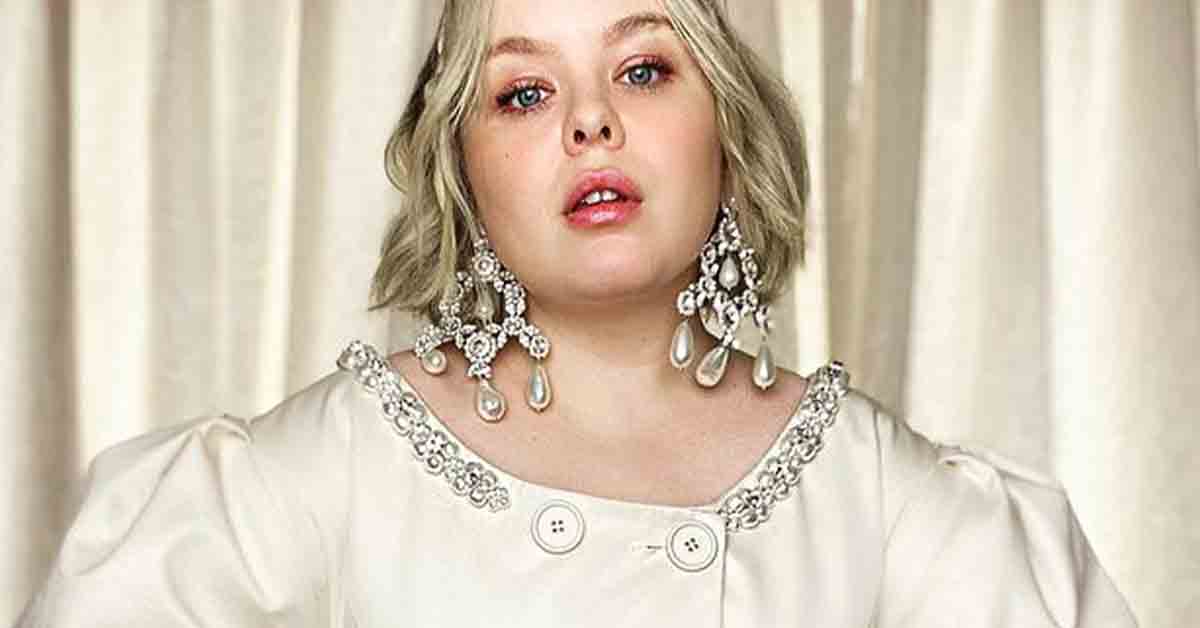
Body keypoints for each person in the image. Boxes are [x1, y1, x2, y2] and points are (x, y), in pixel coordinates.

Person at [17, 1, 1138, 626]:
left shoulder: (884, 495)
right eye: (524, 92)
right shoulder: (330, 464)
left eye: (643, 71)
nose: (590, 123)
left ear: (726, 131)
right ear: (463, 172)